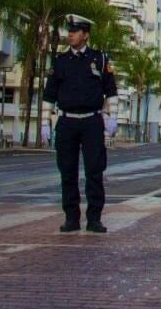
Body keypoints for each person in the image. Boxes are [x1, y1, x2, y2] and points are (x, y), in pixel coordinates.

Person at [42, 14, 119, 233]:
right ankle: (71, 218)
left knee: (94, 171)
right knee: (67, 171)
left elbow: (111, 90)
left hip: (92, 121)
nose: (70, 35)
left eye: (75, 32)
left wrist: (112, 117)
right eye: (69, 31)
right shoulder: (60, 61)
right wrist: (45, 123)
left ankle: (94, 219)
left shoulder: (99, 59)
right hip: (67, 121)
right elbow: (49, 94)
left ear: (85, 35)